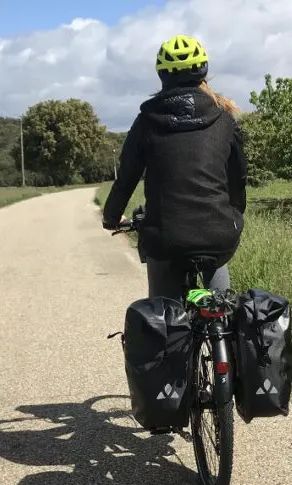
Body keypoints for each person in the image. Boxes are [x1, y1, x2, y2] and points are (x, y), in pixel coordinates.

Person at [102, 34, 248, 301]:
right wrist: (233, 213)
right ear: (204, 71)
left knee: (165, 316)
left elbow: (126, 179)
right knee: (222, 303)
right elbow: (238, 179)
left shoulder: (146, 121)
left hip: (167, 238)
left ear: (162, 76)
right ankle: (225, 327)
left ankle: (168, 338)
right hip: (220, 234)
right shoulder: (225, 119)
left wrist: (111, 217)